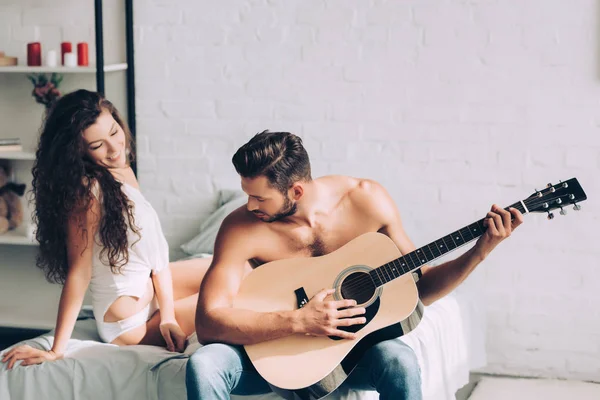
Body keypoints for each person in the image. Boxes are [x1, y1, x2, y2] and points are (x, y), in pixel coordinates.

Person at [185, 130, 524, 400]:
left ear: (297, 191)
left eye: (260, 197)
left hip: (350, 354)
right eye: (247, 194)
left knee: (401, 362)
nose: (250, 204)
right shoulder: (240, 227)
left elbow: (420, 289)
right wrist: (298, 321)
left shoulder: (366, 201)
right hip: (272, 354)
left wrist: (480, 251)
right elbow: (208, 323)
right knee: (203, 365)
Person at [2, 89, 210, 370]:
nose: (114, 148)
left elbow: (156, 257)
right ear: (78, 152)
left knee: (231, 267)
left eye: (114, 132)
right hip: (127, 324)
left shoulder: (121, 169)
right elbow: (80, 272)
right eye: (98, 144)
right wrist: (55, 350)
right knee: (231, 293)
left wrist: (169, 316)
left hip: (147, 294)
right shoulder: (87, 193)